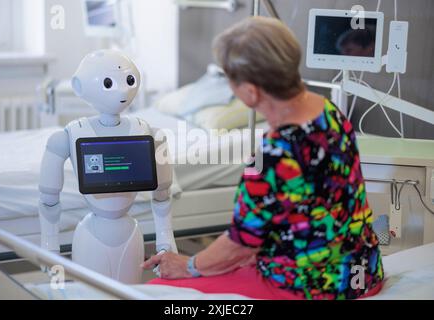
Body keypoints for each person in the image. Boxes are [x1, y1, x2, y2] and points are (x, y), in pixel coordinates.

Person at [142, 16, 384, 300]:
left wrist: (188, 265)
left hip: (310, 287)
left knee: (157, 293)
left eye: (229, 80)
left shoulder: (272, 154)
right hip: (362, 272)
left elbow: (241, 243)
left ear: (249, 91)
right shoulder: (329, 111)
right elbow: (309, 204)